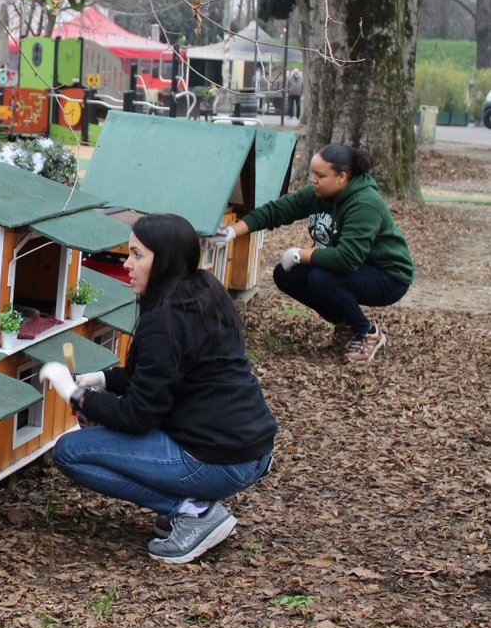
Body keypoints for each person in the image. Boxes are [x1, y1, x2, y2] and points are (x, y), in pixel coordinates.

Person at [40, 214, 276, 565]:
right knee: (96, 434)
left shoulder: (163, 323)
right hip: (251, 451)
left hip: (217, 459)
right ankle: (194, 504)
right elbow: (156, 375)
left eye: (137, 255)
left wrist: (75, 396)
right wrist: (97, 380)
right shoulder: (203, 290)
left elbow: (137, 416)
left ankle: (192, 511)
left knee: (69, 451)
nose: (127, 264)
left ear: (163, 260)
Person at [216, 143, 414, 362]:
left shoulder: (365, 204)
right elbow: (277, 211)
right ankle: (345, 322)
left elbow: (347, 259)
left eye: (321, 175)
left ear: (342, 177)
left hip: (389, 276)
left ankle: (368, 332)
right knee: (286, 275)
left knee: (321, 279)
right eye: (312, 173)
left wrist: (301, 254)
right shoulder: (320, 194)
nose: (313, 179)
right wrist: (232, 231)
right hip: (356, 266)